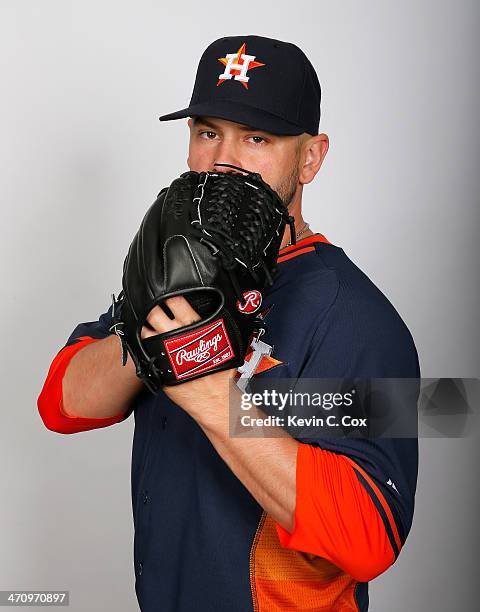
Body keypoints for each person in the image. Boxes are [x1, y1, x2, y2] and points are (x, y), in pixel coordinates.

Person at [38, 35, 420, 612]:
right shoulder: (177, 269)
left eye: (258, 138)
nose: (225, 159)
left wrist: (212, 394)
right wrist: (150, 332)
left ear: (311, 157)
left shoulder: (358, 317)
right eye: (208, 132)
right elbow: (62, 405)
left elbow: (371, 537)